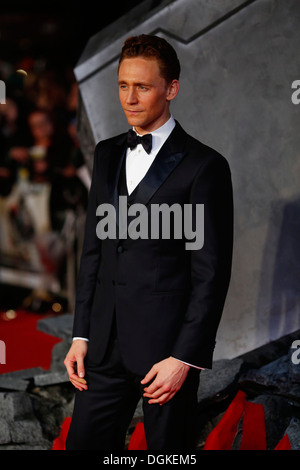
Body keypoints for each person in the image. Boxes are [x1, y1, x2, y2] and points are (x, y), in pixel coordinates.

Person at [64, 34, 233, 451]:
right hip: (102, 347)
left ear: (171, 88)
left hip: (166, 353)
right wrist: (81, 334)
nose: (130, 98)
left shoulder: (204, 166)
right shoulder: (106, 154)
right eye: (123, 85)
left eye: (142, 86)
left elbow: (210, 273)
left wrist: (184, 359)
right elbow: (94, 252)